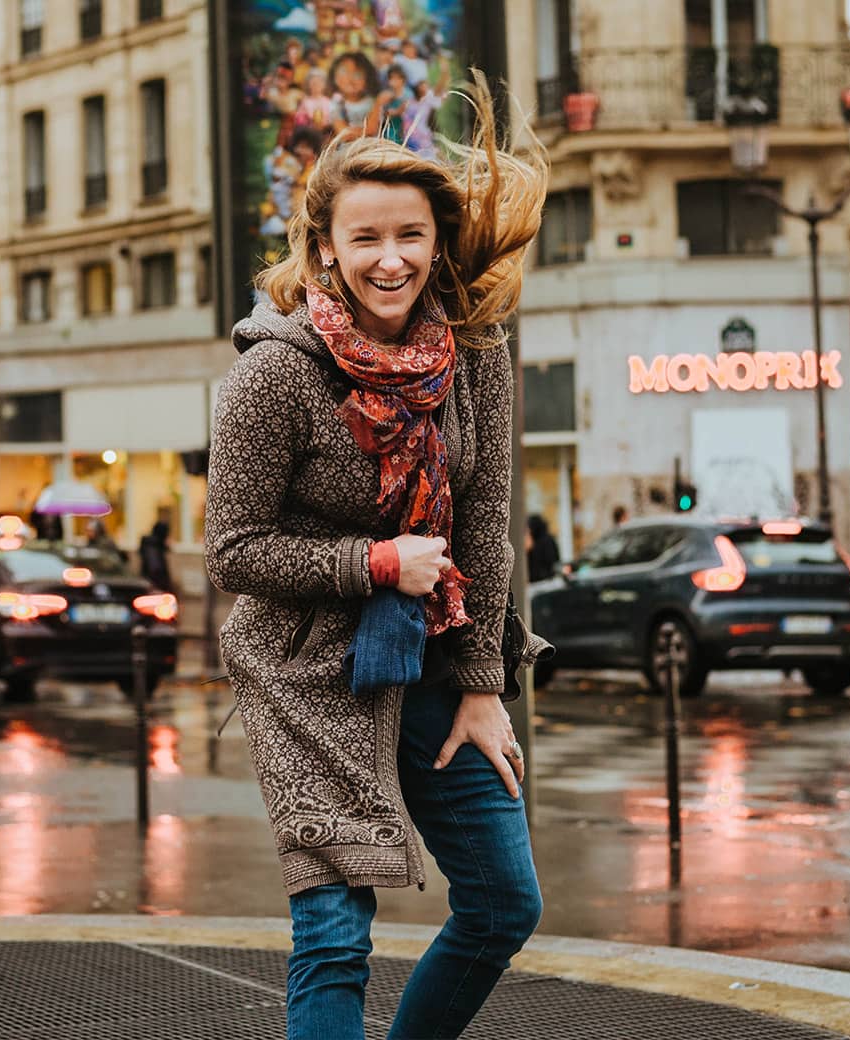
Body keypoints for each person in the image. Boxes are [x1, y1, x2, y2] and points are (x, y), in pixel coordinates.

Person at [205, 73, 548, 1039]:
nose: (389, 259)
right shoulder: (271, 375)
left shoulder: (477, 354)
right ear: (326, 247)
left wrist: (485, 682)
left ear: (435, 243)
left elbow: (483, 516)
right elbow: (232, 549)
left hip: (438, 660)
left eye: (409, 236)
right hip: (311, 674)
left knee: (502, 905)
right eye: (365, 238)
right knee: (334, 938)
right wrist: (373, 563)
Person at [138, 520, 173, 592]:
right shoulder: (153, 547)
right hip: (154, 587)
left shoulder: (152, 545)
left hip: (151, 584)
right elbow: (155, 569)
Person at [525, 514, 560, 583]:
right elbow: (556, 559)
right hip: (549, 578)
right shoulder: (549, 539)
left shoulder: (533, 543)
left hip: (537, 580)